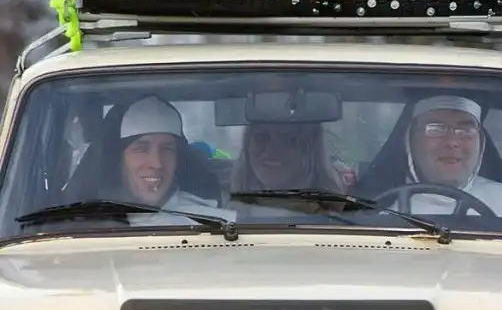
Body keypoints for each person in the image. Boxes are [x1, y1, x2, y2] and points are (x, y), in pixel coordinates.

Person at [97, 95, 235, 225]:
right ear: (118, 159)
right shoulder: (90, 223)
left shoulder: (216, 223)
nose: (157, 163)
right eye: (142, 149)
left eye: (167, 149)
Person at [403, 95, 502, 221]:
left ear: (481, 143)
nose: (452, 142)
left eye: (466, 131)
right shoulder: (388, 210)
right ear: (411, 141)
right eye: (436, 129)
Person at [229, 123, 344, 216]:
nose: (271, 150)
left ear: (310, 153)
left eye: (288, 140)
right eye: (261, 137)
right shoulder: (228, 213)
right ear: (247, 147)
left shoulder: (332, 219)